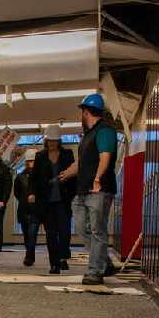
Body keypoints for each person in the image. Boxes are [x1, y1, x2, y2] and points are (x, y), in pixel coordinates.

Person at [59, 94, 118, 284]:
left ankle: (95, 272)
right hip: (82, 190)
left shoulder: (105, 131)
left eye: (81, 112)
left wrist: (98, 179)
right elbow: (82, 162)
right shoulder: (87, 136)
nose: (81, 116)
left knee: (97, 230)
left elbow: (105, 156)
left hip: (98, 190)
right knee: (81, 228)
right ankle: (105, 262)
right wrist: (66, 173)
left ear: (86, 111)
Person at [33, 124, 77, 274]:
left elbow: (74, 176)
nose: (52, 143)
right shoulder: (40, 157)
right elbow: (34, 179)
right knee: (51, 233)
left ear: (59, 141)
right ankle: (54, 264)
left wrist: (72, 194)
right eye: (50, 140)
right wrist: (33, 194)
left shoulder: (67, 154)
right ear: (46, 141)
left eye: (55, 140)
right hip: (47, 201)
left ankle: (63, 256)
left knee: (64, 231)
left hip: (63, 200)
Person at [13, 148, 39, 266]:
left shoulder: (41, 176)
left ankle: (28, 256)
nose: (31, 163)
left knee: (33, 233)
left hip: (36, 210)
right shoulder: (20, 177)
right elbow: (17, 193)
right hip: (23, 209)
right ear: (26, 162)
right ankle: (30, 255)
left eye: (33, 161)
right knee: (26, 235)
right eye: (30, 161)